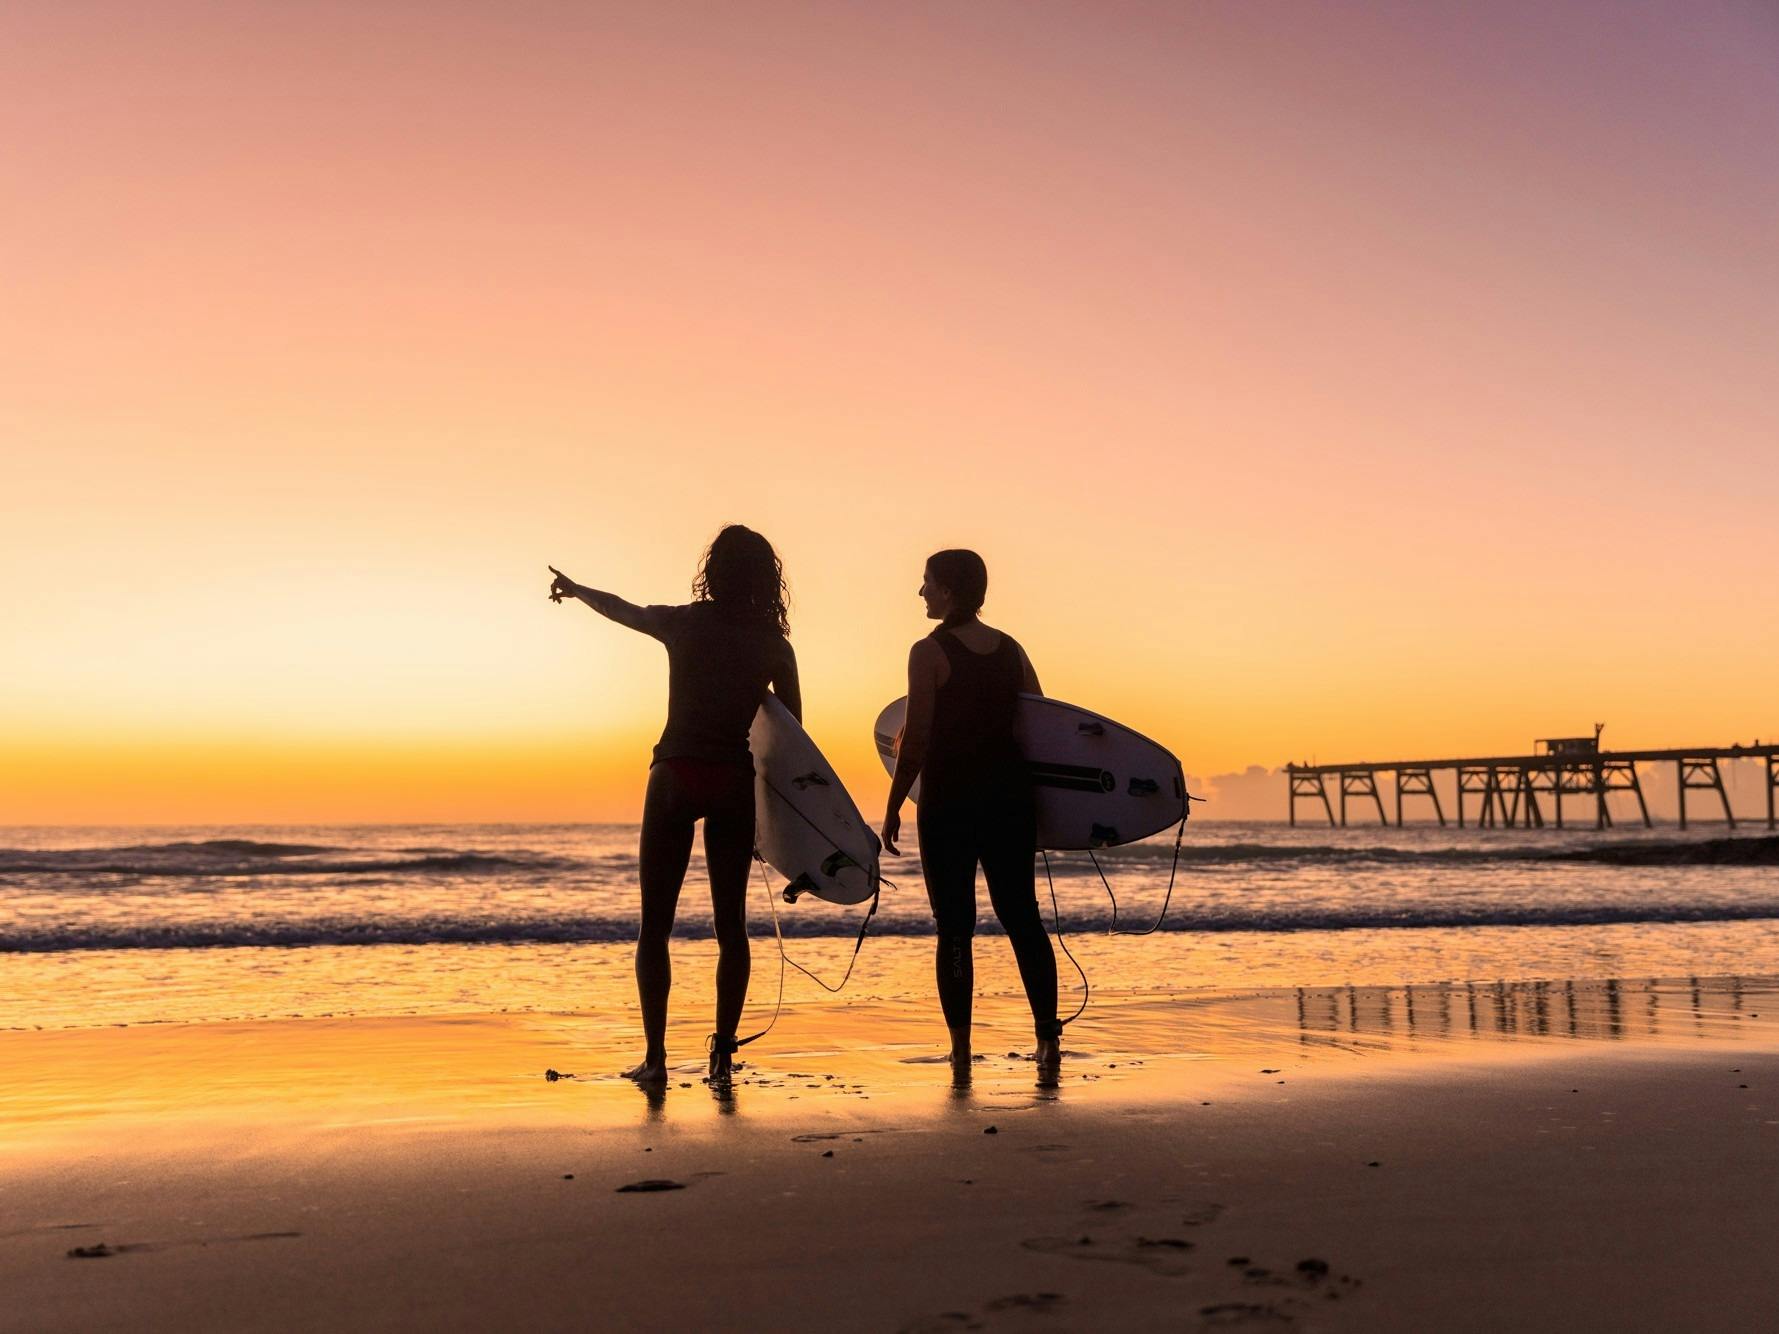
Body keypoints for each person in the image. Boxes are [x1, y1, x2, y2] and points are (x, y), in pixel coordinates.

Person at [549, 525, 798, 1086]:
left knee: (654, 927)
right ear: (766, 578)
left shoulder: (685, 622)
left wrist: (577, 587)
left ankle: (656, 1058)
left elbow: (624, 609)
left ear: (713, 569)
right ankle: (722, 1054)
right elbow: (792, 736)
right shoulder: (773, 645)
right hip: (732, 781)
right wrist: (781, 826)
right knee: (730, 928)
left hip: (675, 773)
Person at [880, 549, 1061, 1082]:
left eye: (927, 583)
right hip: (1009, 799)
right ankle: (1047, 1041)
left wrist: (892, 805)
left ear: (950, 591)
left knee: (954, 929)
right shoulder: (1012, 649)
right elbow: (1042, 726)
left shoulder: (928, 652)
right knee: (1023, 919)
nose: (921, 593)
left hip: (950, 803)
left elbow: (916, 742)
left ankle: (960, 1053)